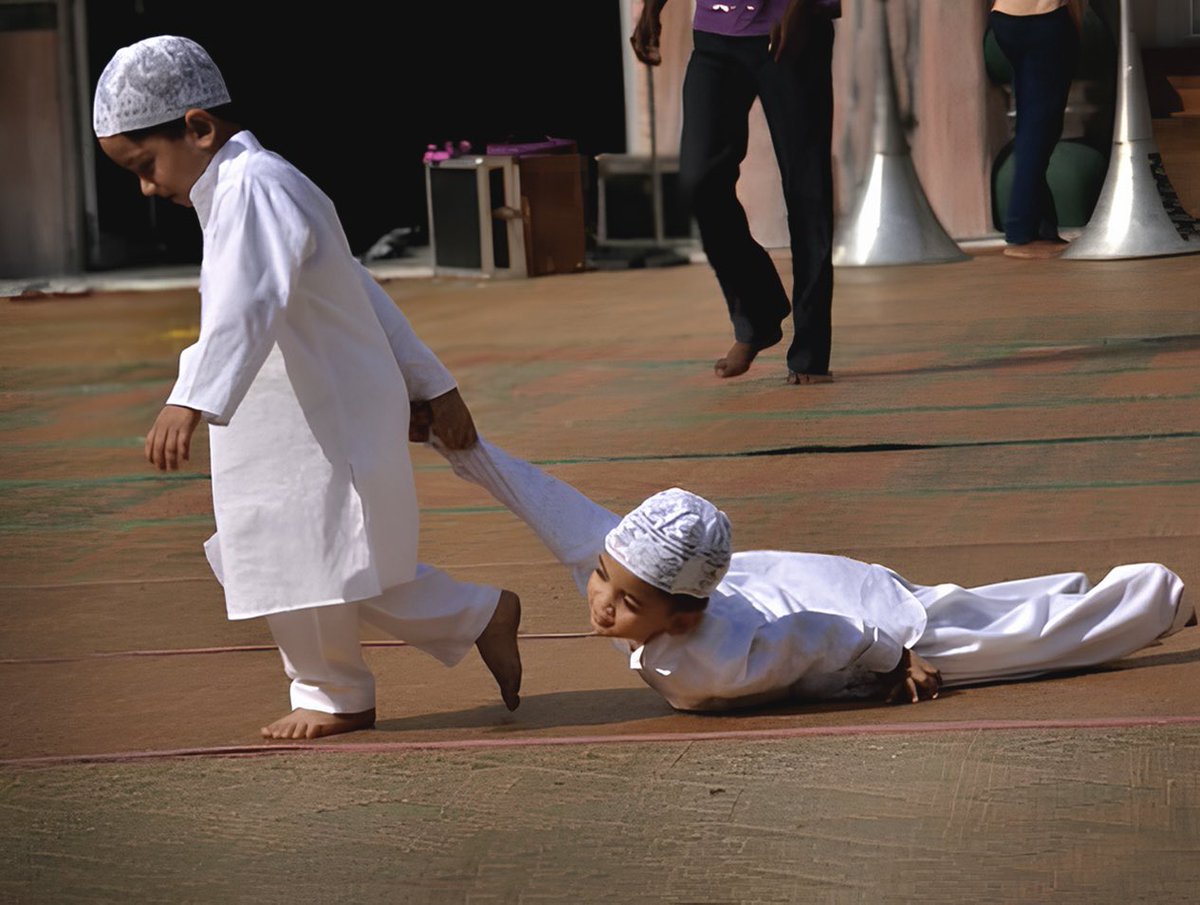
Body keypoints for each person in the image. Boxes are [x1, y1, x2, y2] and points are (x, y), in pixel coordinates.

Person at [92, 35, 522, 740]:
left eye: (146, 165)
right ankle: (472, 615)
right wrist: (429, 382)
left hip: (319, 416)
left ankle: (335, 691)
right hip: (292, 417)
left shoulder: (255, 185)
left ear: (197, 128)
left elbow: (246, 300)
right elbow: (357, 288)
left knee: (298, 553)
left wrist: (190, 395)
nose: (146, 186)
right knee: (303, 555)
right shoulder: (244, 188)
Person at [414, 426, 1191, 712]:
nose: (603, 604)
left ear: (680, 618)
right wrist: (458, 443)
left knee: (1027, 641)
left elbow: (822, 635)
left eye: (625, 600)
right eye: (602, 580)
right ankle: (1099, 588)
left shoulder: (723, 658)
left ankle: (1169, 599)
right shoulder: (620, 560)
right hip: (795, 584)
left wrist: (894, 660)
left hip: (866, 623)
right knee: (979, 604)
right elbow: (540, 498)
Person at [630, 0, 840, 384]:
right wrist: (651, 8)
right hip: (716, 36)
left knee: (806, 189)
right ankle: (758, 313)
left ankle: (810, 351)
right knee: (699, 181)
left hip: (793, 27)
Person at [989, 0, 1084, 259]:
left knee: (1032, 122)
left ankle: (1042, 229)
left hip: (1004, 18)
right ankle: (1020, 232)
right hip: (1045, 18)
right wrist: (1074, 28)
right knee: (1040, 128)